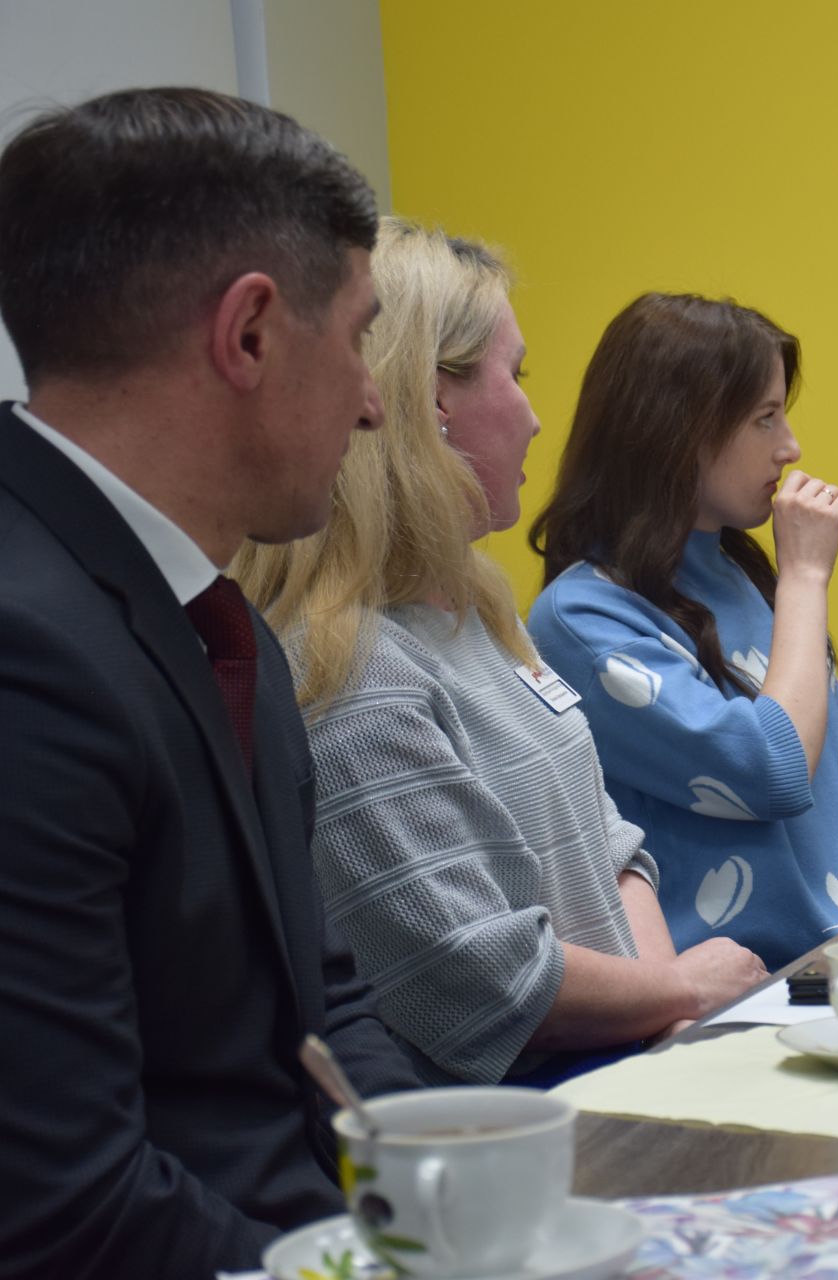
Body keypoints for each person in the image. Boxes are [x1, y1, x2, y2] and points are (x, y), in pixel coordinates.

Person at [0, 88, 420, 1278]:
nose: (376, 400)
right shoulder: (26, 654)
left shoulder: (207, 610)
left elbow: (322, 1005)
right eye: (357, 336)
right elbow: (64, 1201)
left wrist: (437, 1194)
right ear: (247, 334)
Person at [233, 223, 767, 1085]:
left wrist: (668, 1005)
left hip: (629, 1073)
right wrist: (676, 990)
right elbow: (482, 978)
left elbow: (610, 847)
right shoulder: (348, 667)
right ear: (429, 402)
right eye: (514, 377)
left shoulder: (475, 611)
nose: (534, 414)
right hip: (524, 1132)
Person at [526, 292, 838, 971]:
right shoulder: (581, 618)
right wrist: (805, 581)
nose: (790, 447)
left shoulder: (741, 571)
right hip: (752, 987)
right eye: (765, 418)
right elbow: (772, 773)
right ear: (677, 431)